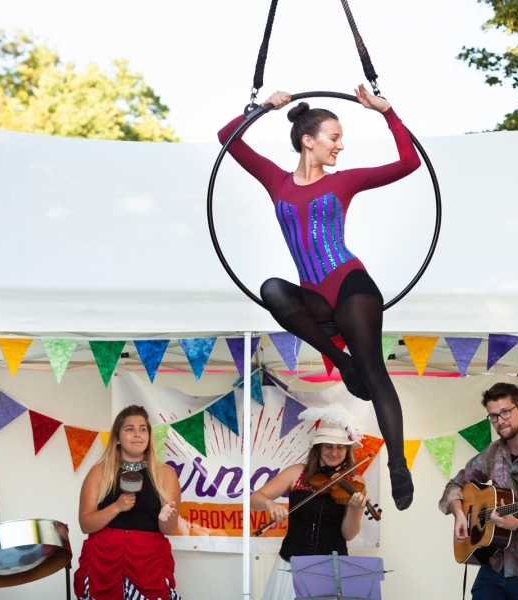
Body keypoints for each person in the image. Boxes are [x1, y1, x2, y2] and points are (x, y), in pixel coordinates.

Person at [217, 85, 420, 509]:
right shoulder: (275, 179)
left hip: (351, 285)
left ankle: (399, 464)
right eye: (333, 137)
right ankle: (342, 363)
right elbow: (226, 137)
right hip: (313, 295)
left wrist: (388, 111)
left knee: (375, 370)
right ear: (308, 140)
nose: (340, 146)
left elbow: (409, 161)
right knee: (271, 288)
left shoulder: (344, 181)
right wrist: (263, 108)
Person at [439, 382, 518, 600]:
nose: (500, 421)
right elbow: (454, 484)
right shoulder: (493, 452)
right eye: (493, 416)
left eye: (505, 412)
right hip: (495, 564)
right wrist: (459, 513)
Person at [250, 403, 372, 600]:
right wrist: (269, 504)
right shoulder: (296, 473)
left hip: (331, 567)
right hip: (292, 563)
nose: (334, 452)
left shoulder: (355, 482)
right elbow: (255, 499)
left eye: (340, 447)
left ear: (347, 449)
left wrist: (353, 509)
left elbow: (349, 534)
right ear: (318, 447)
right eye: (328, 446)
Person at [75, 405, 182, 600]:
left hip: (148, 564)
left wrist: (165, 518)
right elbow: (85, 524)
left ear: (149, 436)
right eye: (129, 429)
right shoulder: (99, 472)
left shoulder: (165, 474)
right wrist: (116, 507)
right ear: (117, 437)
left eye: (143, 429)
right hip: (104, 562)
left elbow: (169, 529)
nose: (137, 434)